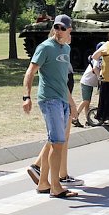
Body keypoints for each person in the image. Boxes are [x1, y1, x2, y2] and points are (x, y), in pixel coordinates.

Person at [22, 14, 79, 199]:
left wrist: (71, 103)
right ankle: (56, 186)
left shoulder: (66, 48)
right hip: (49, 99)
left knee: (54, 142)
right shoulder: (45, 47)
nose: (59, 31)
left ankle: (43, 183)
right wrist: (26, 96)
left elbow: (63, 80)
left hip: (62, 99)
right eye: (57, 27)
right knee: (57, 143)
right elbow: (30, 71)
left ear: (69, 29)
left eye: (63, 28)